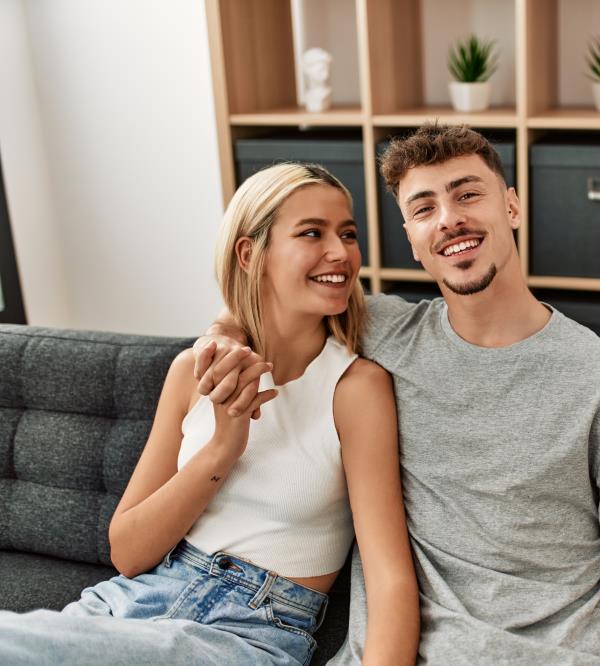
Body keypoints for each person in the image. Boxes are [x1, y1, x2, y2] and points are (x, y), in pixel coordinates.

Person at [197, 124, 600, 665]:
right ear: (411, 238)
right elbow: (273, 299)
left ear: (511, 207)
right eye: (424, 207)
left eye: (467, 194)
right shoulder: (380, 333)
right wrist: (224, 330)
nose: (449, 219)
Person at [0, 163, 419, 666]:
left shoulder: (355, 389)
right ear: (250, 253)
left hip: (248, 632)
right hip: (124, 606)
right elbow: (129, 553)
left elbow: (390, 577)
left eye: (347, 234)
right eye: (312, 232)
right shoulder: (192, 373)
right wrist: (222, 447)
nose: (341, 252)